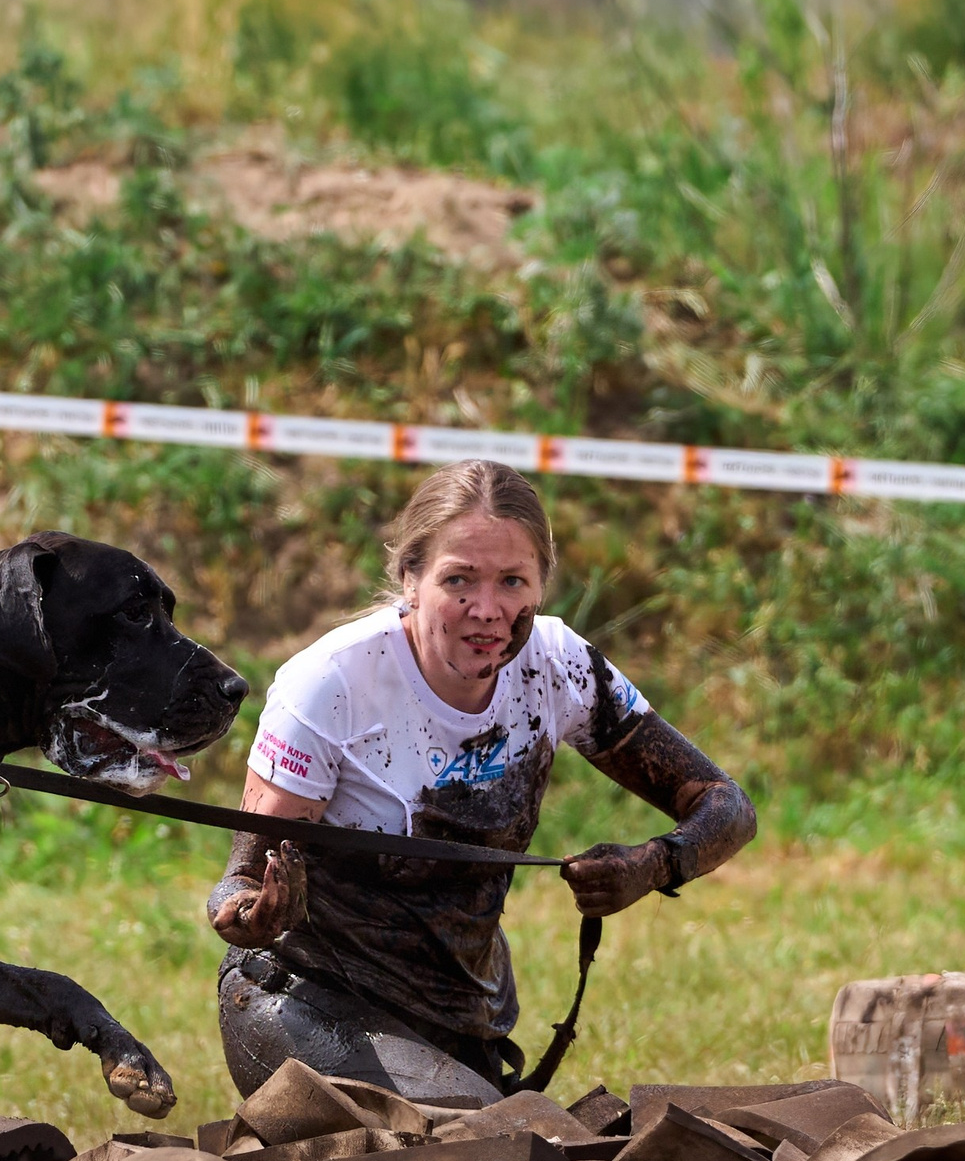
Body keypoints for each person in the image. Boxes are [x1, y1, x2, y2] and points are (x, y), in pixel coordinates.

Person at [206, 459, 756, 1106]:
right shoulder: (332, 682)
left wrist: (653, 864)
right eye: (459, 579)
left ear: (541, 584)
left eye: (512, 581)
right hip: (306, 1001)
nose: (488, 610)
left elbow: (727, 806)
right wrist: (255, 913)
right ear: (410, 577)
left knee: (527, 1160)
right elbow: (235, 883)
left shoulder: (557, 666)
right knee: (495, 1147)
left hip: (462, 1022)